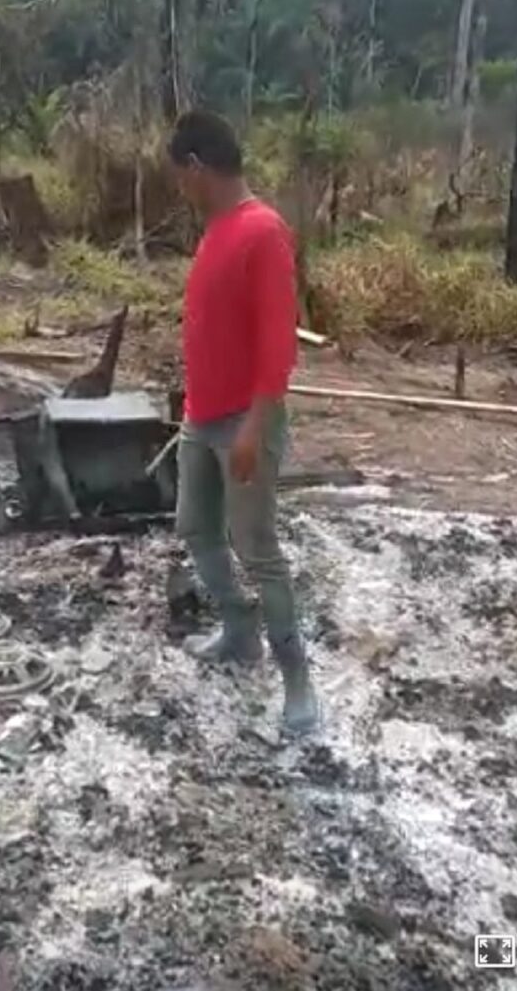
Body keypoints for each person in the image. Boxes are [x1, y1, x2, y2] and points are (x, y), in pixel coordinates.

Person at [168, 109, 319, 734]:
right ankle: (239, 632)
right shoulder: (215, 230)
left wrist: (255, 429)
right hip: (199, 419)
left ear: (198, 167)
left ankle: (298, 683)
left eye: (179, 175)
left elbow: (277, 344)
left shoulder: (263, 232)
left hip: (243, 421)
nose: (179, 187)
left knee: (258, 549)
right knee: (197, 529)